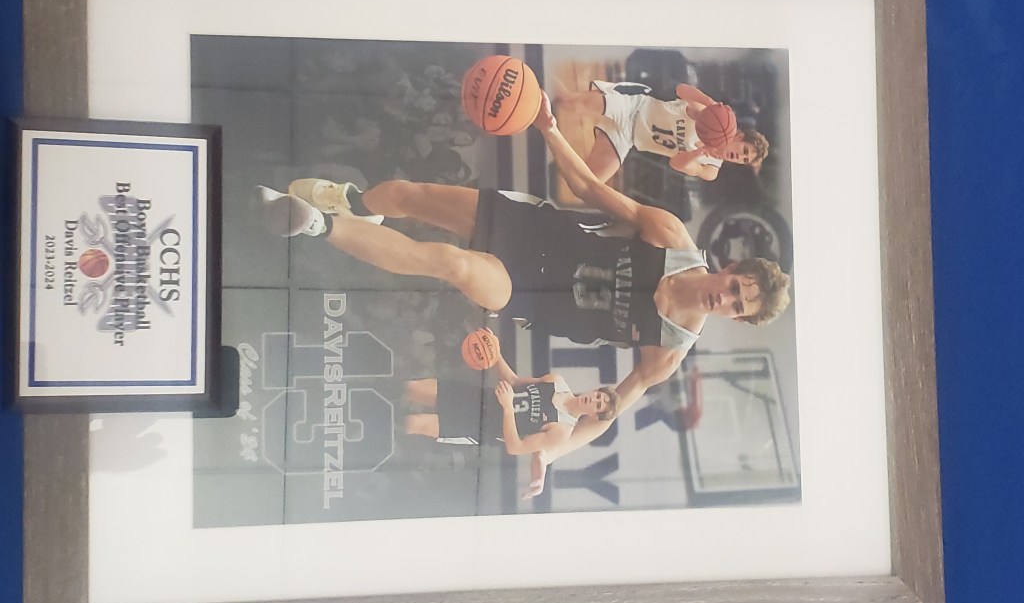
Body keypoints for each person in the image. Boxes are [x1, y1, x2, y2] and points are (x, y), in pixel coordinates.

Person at [256, 93, 789, 466]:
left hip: (526, 293)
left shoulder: (668, 351)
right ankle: (351, 205)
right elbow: (589, 189)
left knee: (451, 263)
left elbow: (608, 413)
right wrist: (549, 127)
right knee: (402, 196)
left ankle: (317, 225)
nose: (727, 299)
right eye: (737, 287)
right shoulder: (672, 237)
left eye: (737, 307)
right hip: (534, 229)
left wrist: (555, 451)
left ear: (736, 319)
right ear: (731, 269)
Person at [403, 351, 620, 498]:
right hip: (477, 397)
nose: (593, 400)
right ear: (595, 390)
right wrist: (494, 352)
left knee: (414, 422)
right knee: (411, 388)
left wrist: (508, 407)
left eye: (598, 405)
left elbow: (515, 447)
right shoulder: (556, 381)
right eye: (598, 396)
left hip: (479, 426)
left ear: (593, 415)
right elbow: (514, 381)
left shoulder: (562, 431)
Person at [558, 80, 770, 182]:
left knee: (586, 182)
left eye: (744, 160)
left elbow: (675, 163)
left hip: (629, 136)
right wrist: (709, 102)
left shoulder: (710, 169)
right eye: (744, 150)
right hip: (634, 104)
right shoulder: (711, 117)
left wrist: (699, 151)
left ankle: (549, 138)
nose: (739, 157)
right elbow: (680, 89)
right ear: (739, 136)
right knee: (569, 103)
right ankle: (541, 76)